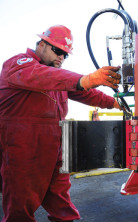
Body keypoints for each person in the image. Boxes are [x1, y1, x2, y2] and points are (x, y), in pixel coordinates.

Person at [0, 25, 123, 222]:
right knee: (20, 204)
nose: (61, 58)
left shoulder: (58, 77)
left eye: (66, 55)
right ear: (41, 44)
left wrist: (116, 102)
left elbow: (85, 92)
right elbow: (41, 76)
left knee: (60, 198)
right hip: (24, 147)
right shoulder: (18, 65)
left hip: (55, 145)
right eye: (57, 51)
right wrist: (86, 79)